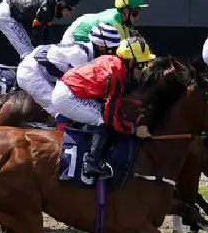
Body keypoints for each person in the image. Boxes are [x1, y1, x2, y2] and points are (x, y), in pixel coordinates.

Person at [51, 36, 155, 180]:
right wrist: (134, 130)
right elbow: (110, 118)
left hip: (68, 90)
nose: (143, 69)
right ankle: (91, 162)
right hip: (67, 95)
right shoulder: (117, 73)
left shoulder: (114, 62)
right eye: (142, 64)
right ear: (131, 62)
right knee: (102, 119)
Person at [15, 22, 121, 115]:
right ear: (101, 47)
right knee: (63, 108)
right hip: (31, 73)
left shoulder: (89, 53)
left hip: (43, 70)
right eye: (113, 49)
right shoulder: (80, 56)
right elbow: (78, 89)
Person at [0, 0, 83, 60]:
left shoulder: (51, 7)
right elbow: (36, 35)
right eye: (70, 8)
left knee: (31, 50)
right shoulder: (46, 8)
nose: (71, 13)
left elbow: (45, 35)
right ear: (62, 3)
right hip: (5, 15)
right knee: (27, 52)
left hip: (9, 13)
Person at [62, 0, 148, 45]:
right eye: (135, 13)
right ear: (125, 10)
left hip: (79, 30)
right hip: (74, 39)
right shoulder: (114, 24)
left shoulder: (119, 16)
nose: (137, 18)